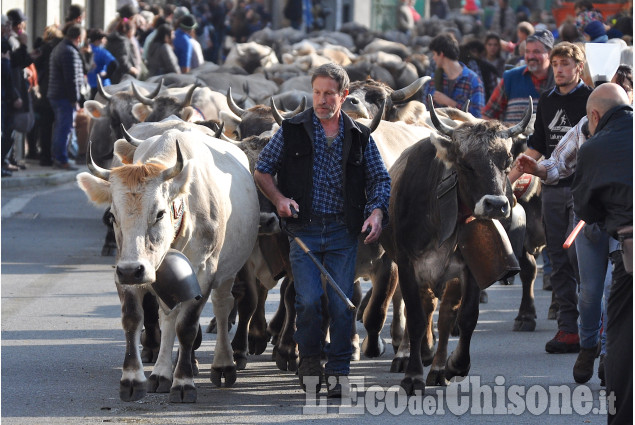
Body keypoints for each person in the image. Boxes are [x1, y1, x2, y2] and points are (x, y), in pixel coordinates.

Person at [254, 63, 390, 398]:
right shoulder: (292, 130)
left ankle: (340, 370)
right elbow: (263, 171)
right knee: (310, 302)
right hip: (304, 231)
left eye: (329, 93)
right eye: (317, 92)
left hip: (344, 231)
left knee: (342, 303)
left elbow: (380, 179)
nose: (322, 100)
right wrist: (279, 199)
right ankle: (311, 362)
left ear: (344, 96)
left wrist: (376, 212)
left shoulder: (359, 135)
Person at [515, 65, 633, 385]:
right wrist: (536, 170)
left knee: (611, 289)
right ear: (593, 117)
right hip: (589, 222)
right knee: (589, 293)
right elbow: (558, 166)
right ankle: (589, 344)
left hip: (621, 227)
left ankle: (609, 353)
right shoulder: (583, 131)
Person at [509, 42, 593, 354]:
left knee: (580, 259)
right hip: (553, 189)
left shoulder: (591, 99)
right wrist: (507, 181)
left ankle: (590, 326)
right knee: (557, 260)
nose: (558, 69)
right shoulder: (546, 100)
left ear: (578, 68)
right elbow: (536, 147)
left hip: (584, 189)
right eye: (555, 64)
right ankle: (568, 330)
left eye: (565, 64)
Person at [571, 82, 632, 425]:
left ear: (594, 116)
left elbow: (586, 210)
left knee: (623, 339)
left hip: (631, 253)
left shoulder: (594, 148)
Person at [482, 28, 554, 126]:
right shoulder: (511, 78)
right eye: (527, 52)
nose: (531, 56)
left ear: (549, 53)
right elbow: (487, 115)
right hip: (513, 140)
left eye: (536, 52)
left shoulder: (559, 79)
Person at [48, 23, 84, 170]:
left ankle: (58, 157)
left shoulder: (61, 48)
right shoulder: (69, 52)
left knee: (60, 128)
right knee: (65, 128)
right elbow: (72, 79)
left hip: (57, 94)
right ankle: (61, 159)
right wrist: (74, 100)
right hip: (64, 97)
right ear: (79, 37)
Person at [422, 33, 485, 117]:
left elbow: (478, 115)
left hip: (463, 129)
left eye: (434, 54)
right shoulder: (433, 79)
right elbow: (425, 111)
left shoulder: (472, 80)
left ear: (441, 54)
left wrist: (450, 103)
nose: (433, 58)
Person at [85, 28, 118, 99]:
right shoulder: (102, 52)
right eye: (104, 39)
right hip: (102, 85)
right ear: (98, 40)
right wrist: (107, 75)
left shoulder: (85, 49)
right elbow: (114, 63)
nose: (105, 41)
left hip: (88, 84)